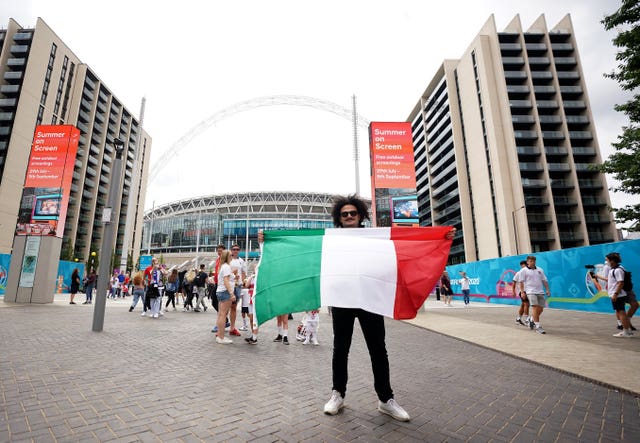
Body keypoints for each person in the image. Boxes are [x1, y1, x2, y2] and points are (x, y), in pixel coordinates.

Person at [518, 255, 551, 334]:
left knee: (541, 309)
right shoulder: (523, 271)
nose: (532, 262)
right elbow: (521, 282)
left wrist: (547, 290)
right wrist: (522, 292)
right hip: (530, 292)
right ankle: (538, 327)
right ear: (527, 262)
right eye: (531, 261)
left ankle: (531, 319)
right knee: (535, 308)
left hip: (540, 292)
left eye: (534, 261)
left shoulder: (540, 270)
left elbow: (544, 280)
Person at [605, 252, 634, 337]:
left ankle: (626, 332)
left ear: (612, 261)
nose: (606, 262)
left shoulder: (617, 270)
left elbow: (620, 283)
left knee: (621, 312)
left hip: (618, 295)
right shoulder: (614, 269)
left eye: (607, 260)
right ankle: (627, 331)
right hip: (616, 294)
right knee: (620, 312)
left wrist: (615, 294)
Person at [215, 250, 235, 344]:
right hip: (225, 292)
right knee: (223, 314)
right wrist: (231, 293)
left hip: (221, 291)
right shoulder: (226, 266)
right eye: (231, 255)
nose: (232, 256)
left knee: (220, 314)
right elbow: (226, 280)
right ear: (227, 256)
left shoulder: (223, 266)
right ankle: (221, 337)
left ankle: (220, 335)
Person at [228, 244, 247, 336]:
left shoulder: (241, 261)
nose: (235, 251)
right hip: (229, 285)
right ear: (231, 250)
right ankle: (221, 327)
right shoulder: (228, 260)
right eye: (234, 249)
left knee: (234, 307)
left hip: (238, 286)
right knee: (225, 306)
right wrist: (233, 275)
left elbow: (244, 272)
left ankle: (232, 328)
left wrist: (242, 280)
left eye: (237, 249)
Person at [512, 261, 530, 326]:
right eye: (522, 266)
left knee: (523, 305)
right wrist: (513, 291)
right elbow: (514, 282)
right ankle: (527, 319)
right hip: (522, 292)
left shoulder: (529, 272)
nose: (523, 267)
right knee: (526, 304)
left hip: (529, 291)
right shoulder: (518, 273)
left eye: (524, 266)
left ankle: (518, 319)